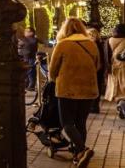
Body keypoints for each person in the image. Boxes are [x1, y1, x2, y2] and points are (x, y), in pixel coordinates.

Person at [49, 18, 100, 167]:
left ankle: (83, 149)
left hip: (67, 90)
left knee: (67, 123)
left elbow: (53, 70)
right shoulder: (91, 44)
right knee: (80, 123)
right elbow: (97, 66)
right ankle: (78, 154)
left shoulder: (62, 45)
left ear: (65, 29)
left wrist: (56, 79)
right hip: (88, 90)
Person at [105, 23, 125, 119]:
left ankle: (120, 104)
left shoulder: (109, 41)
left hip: (113, 69)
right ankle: (122, 105)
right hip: (123, 67)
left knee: (116, 90)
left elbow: (106, 55)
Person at [86, 27, 106, 113]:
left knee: (91, 88)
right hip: (99, 69)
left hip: (93, 69)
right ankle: (95, 106)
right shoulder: (100, 44)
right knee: (96, 87)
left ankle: (92, 106)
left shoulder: (90, 44)